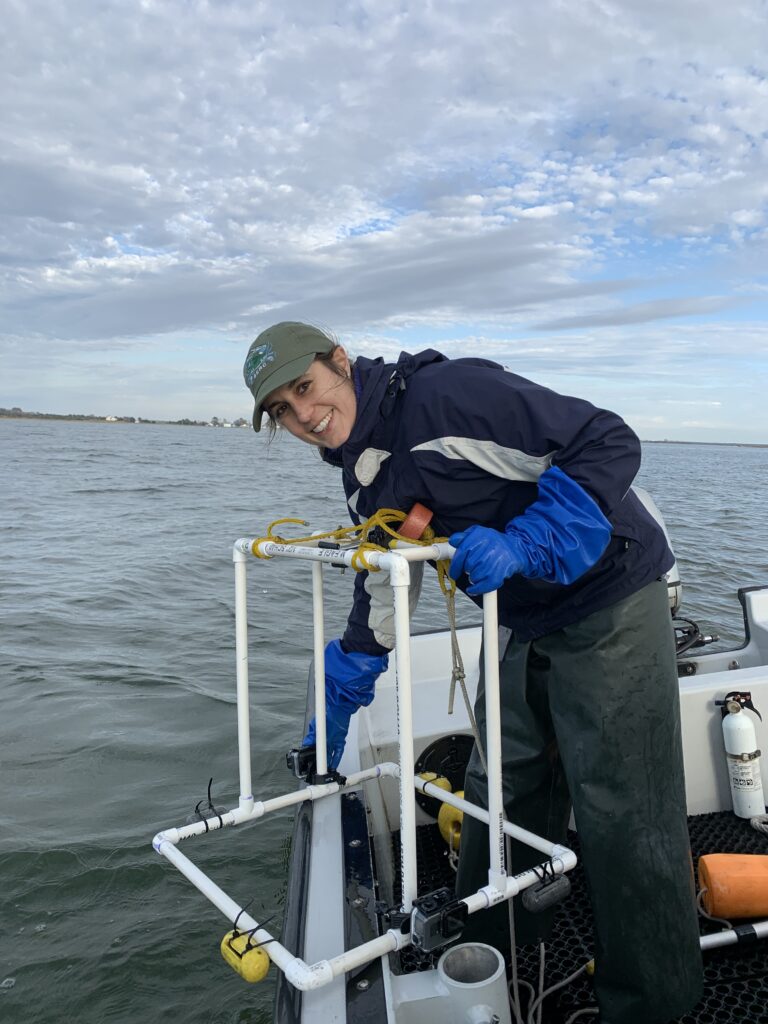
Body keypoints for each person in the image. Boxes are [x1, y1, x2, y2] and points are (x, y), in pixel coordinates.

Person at [243, 320, 703, 1024]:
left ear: (340, 362)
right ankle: (494, 952)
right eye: (281, 409)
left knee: (621, 805)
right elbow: (392, 563)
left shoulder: (447, 398)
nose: (302, 415)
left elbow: (608, 440)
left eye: (305, 388)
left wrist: (530, 540)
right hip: (524, 613)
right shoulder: (368, 471)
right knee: (498, 779)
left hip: (611, 592)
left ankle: (652, 1004)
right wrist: (346, 683)